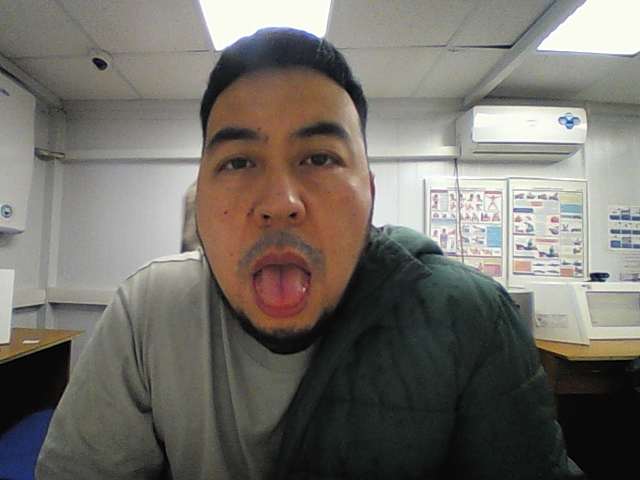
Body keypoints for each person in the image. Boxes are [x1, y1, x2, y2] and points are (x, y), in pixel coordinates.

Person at [36, 28, 585, 479]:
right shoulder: (146, 313)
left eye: (320, 158)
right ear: (198, 201)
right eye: (237, 162)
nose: (280, 203)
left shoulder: (470, 321)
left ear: (370, 195)